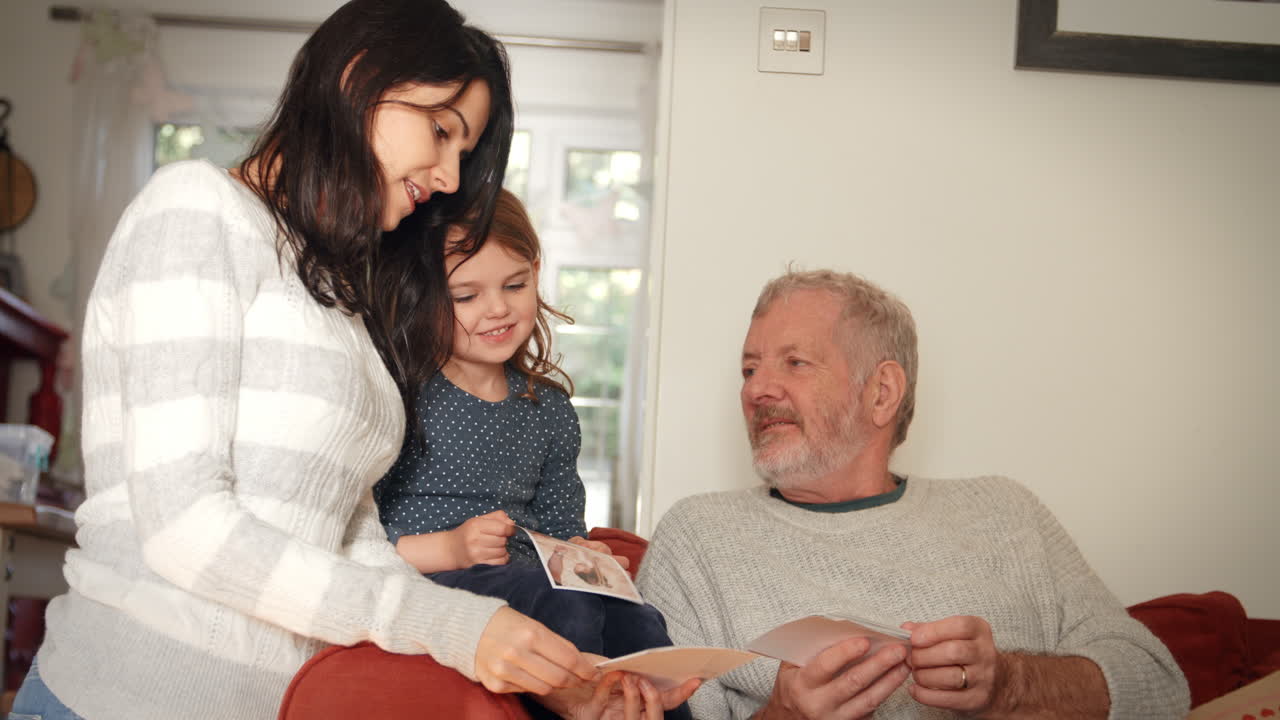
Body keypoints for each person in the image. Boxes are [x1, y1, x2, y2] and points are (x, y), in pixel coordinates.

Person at [10, 3, 612, 719]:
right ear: (360, 77)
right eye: (441, 131)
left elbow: (354, 540)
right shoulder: (198, 209)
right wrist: (461, 627)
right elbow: (183, 527)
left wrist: (543, 669)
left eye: (465, 150)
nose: (451, 177)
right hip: (116, 700)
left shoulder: (340, 297)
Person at [636, 269, 1190, 719]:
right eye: (749, 368)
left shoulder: (1007, 513)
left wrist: (1009, 684)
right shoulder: (698, 537)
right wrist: (785, 716)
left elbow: (1159, 686)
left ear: (882, 393)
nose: (757, 388)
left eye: (795, 362)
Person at [373, 189, 696, 719]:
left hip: (537, 583)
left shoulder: (548, 408)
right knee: (561, 603)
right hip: (437, 582)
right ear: (420, 295)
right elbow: (357, 536)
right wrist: (451, 548)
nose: (498, 308)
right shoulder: (400, 395)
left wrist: (585, 555)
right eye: (466, 296)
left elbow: (563, 526)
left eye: (515, 285)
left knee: (637, 619)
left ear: (537, 272)